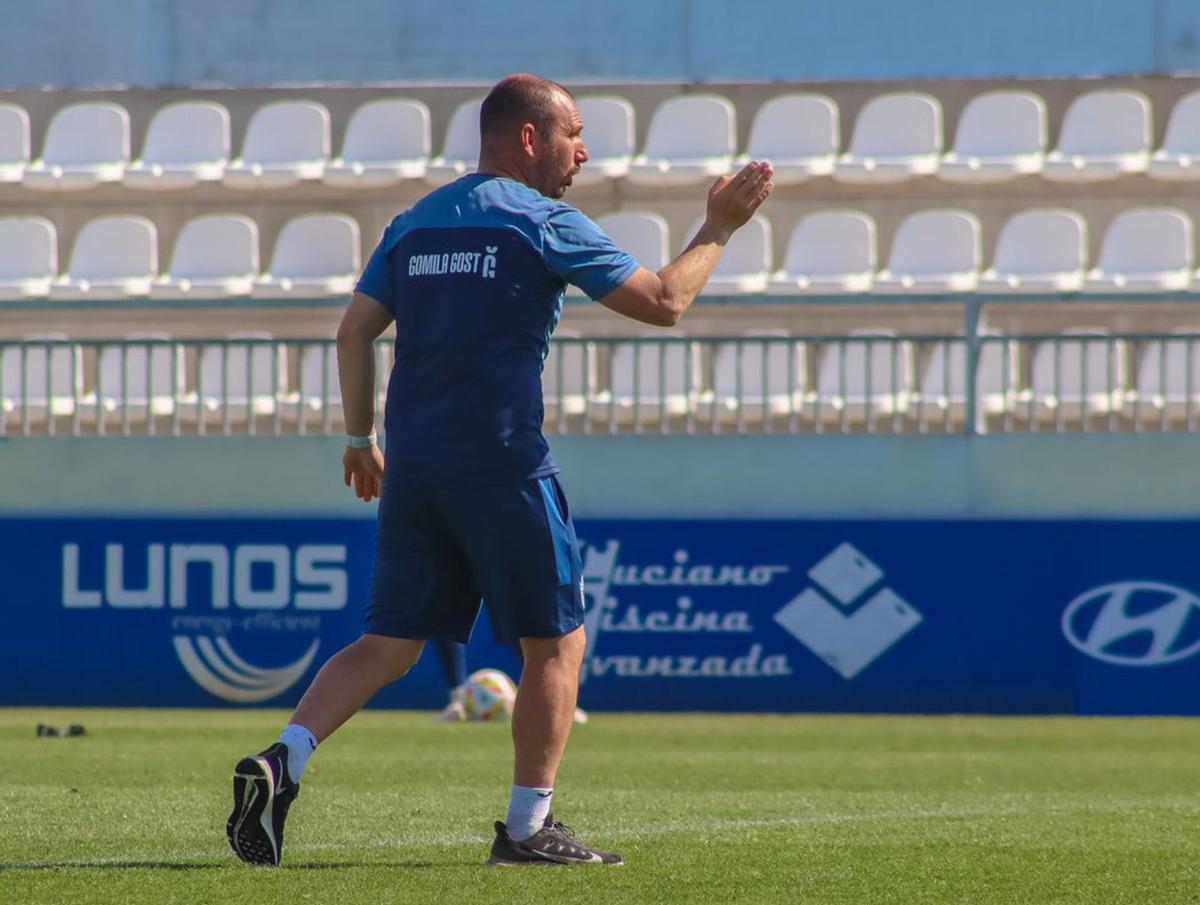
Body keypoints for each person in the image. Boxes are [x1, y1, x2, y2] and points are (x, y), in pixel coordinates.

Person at [225, 73, 773, 868]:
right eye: (573, 133)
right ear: (527, 137)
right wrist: (719, 228)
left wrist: (356, 438)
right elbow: (662, 301)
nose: (583, 150)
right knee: (555, 644)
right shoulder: (541, 221)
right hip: (502, 457)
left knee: (388, 643)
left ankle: (285, 759)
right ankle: (526, 828)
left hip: (414, 462)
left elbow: (352, 333)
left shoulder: (415, 222)